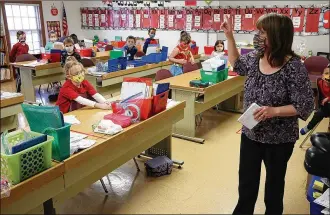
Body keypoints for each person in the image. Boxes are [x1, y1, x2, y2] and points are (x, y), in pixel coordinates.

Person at [220, 13, 314, 215]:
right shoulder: (255, 58)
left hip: (279, 139)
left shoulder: (294, 68)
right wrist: (229, 37)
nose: (258, 36)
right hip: (250, 134)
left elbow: (305, 105)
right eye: (258, 31)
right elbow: (236, 63)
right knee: (246, 184)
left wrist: (275, 111)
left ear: (277, 36)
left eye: (263, 32)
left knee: (274, 187)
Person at [301, 63, 330, 135]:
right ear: (322, 75)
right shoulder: (319, 82)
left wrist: (328, 98)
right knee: (318, 114)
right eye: (326, 73)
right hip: (325, 106)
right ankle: (309, 126)